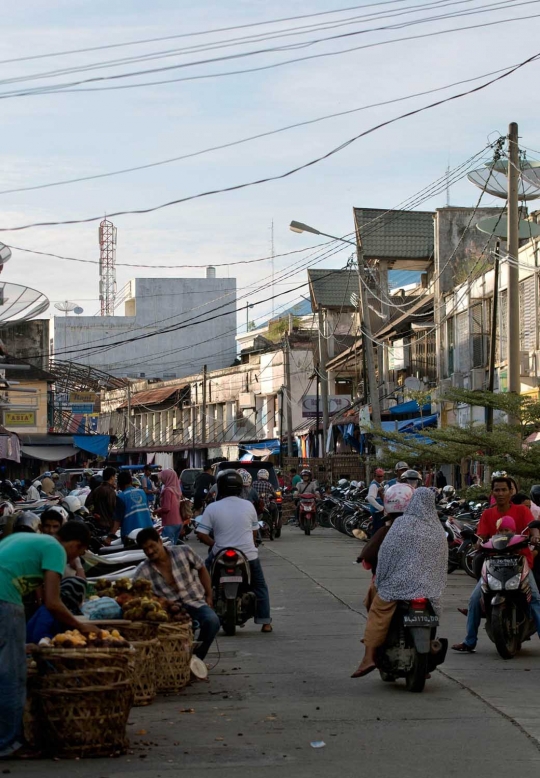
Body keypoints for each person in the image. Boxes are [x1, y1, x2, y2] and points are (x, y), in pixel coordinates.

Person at [0, 521, 93, 758]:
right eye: (78, 553)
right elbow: (52, 602)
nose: (73, 560)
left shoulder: (23, 539)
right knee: (13, 675)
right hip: (5, 600)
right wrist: (81, 627)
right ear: (74, 544)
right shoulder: (55, 549)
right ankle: (9, 744)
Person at [352, 487, 448, 678]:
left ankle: (369, 657)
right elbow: (442, 560)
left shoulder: (402, 524)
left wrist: (382, 580)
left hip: (398, 586)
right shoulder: (437, 528)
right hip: (429, 588)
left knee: (378, 611)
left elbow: (386, 555)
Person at [452, 476, 540, 653]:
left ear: (510, 491)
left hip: (519, 561)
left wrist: (536, 536)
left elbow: (533, 528)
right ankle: (469, 641)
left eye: (504, 490)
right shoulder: (487, 514)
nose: (500, 493)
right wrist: (478, 542)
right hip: (493, 563)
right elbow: (481, 536)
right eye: (497, 490)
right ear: (492, 493)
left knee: (536, 599)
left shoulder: (522, 511)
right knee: (474, 600)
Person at [196, 469, 272, 632]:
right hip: (248, 555)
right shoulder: (249, 506)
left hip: (219, 553)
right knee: (259, 585)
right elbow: (253, 533)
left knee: (201, 579)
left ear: (220, 487)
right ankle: (265, 622)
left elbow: (201, 534)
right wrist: (248, 546)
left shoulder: (212, 507)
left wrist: (215, 543)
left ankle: (200, 617)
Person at [134, 527, 219, 660]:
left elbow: (202, 568)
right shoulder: (143, 570)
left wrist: (209, 595)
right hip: (170, 611)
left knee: (212, 621)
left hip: (195, 601)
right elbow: (138, 595)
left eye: (152, 546)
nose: (150, 551)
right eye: (146, 549)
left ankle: (196, 660)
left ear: (160, 541)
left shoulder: (183, 551)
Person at [110, 471, 153, 543]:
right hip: (148, 532)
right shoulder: (142, 492)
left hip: (131, 537)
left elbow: (117, 521)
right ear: (131, 481)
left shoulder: (121, 497)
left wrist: (109, 537)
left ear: (119, 484)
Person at [155, 469, 183, 545]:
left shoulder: (167, 490)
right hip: (178, 522)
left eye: (163, 477)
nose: (161, 479)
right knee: (173, 546)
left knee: (168, 548)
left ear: (167, 477)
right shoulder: (176, 490)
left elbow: (166, 508)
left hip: (170, 522)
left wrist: (157, 511)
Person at [90, 467, 117, 535]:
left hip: (97, 523)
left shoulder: (97, 489)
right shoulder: (110, 491)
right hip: (107, 524)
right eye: (115, 476)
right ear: (111, 477)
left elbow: (90, 505)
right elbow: (113, 509)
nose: (115, 478)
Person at [252, 469, 278, 539]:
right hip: (266, 506)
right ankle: (274, 523)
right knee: (275, 508)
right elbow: (274, 494)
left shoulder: (254, 483)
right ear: (267, 476)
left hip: (255, 506)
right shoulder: (269, 485)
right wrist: (276, 496)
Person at [366, 468, 386, 534]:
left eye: (381, 476)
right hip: (377, 512)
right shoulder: (374, 485)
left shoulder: (378, 484)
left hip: (378, 511)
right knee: (377, 531)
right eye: (378, 476)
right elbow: (370, 498)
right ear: (375, 476)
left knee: (378, 530)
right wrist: (380, 508)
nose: (380, 478)